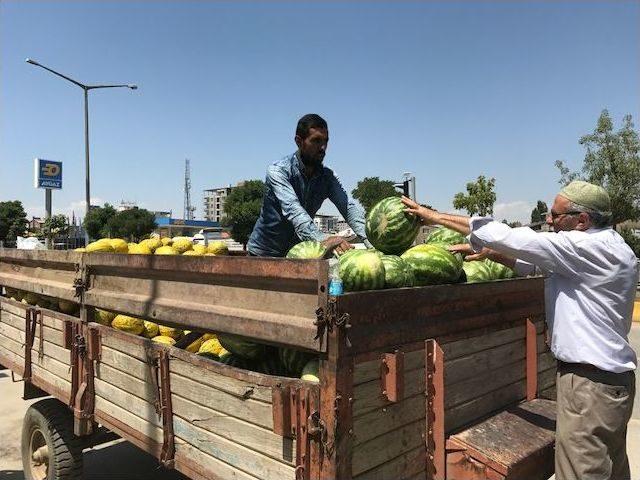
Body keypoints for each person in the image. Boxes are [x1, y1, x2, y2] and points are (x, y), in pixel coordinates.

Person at [402, 181, 638, 480]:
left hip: (589, 386)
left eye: (555, 214)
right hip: (611, 385)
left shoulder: (587, 247)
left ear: (582, 220)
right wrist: (492, 254)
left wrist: (432, 215)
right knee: (611, 470)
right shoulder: (611, 246)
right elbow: (536, 268)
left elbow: (509, 236)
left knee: (581, 472)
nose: (549, 220)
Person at [247, 114, 368, 257]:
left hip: (297, 254)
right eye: (316, 141)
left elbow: (348, 208)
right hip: (263, 253)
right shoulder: (279, 171)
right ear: (299, 141)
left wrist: (371, 242)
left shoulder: (327, 177)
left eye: (325, 141)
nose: (323, 148)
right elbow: (294, 211)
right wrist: (325, 240)